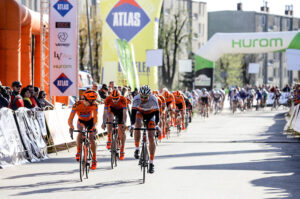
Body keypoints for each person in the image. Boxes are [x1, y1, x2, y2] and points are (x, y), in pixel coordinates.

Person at [129, 85, 161, 174]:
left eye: (145, 97)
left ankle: (151, 163)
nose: (143, 99)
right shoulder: (136, 99)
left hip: (151, 115)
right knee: (137, 124)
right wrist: (132, 125)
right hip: (140, 113)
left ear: (149, 95)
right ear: (139, 94)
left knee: (151, 137)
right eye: (142, 97)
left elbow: (157, 116)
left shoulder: (154, 100)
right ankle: (137, 148)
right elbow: (133, 114)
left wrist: (157, 125)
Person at [68, 90, 98, 170]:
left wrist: (94, 126)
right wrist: (71, 126)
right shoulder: (77, 104)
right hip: (81, 121)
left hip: (90, 121)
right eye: (91, 101)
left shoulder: (95, 105)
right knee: (80, 132)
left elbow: (95, 117)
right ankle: (78, 151)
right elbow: (70, 118)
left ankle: (94, 158)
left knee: (91, 138)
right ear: (85, 99)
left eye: (94, 100)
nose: (93, 102)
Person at [101, 89, 127, 160]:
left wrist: (124, 122)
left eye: (116, 99)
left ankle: (122, 149)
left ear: (119, 97)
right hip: (111, 110)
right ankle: (109, 138)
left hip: (120, 111)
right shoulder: (107, 99)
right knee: (109, 118)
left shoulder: (123, 99)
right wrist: (103, 122)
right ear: (111, 97)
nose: (115, 100)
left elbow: (125, 113)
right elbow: (105, 113)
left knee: (122, 130)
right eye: (113, 99)